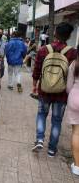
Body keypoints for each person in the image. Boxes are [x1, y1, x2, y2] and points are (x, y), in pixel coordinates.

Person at [32, 22, 76, 157]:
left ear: (55, 33)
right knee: (56, 120)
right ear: (69, 36)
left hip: (44, 90)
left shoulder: (43, 50)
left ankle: (39, 139)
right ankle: (51, 149)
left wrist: (34, 85)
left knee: (41, 115)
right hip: (61, 93)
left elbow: (37, 70)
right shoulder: (73, 52)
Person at [66, 45, 79, 175]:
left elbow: (69, 86)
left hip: (75, 97)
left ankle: (77, 166)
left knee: (77, 132)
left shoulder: (74, 64)